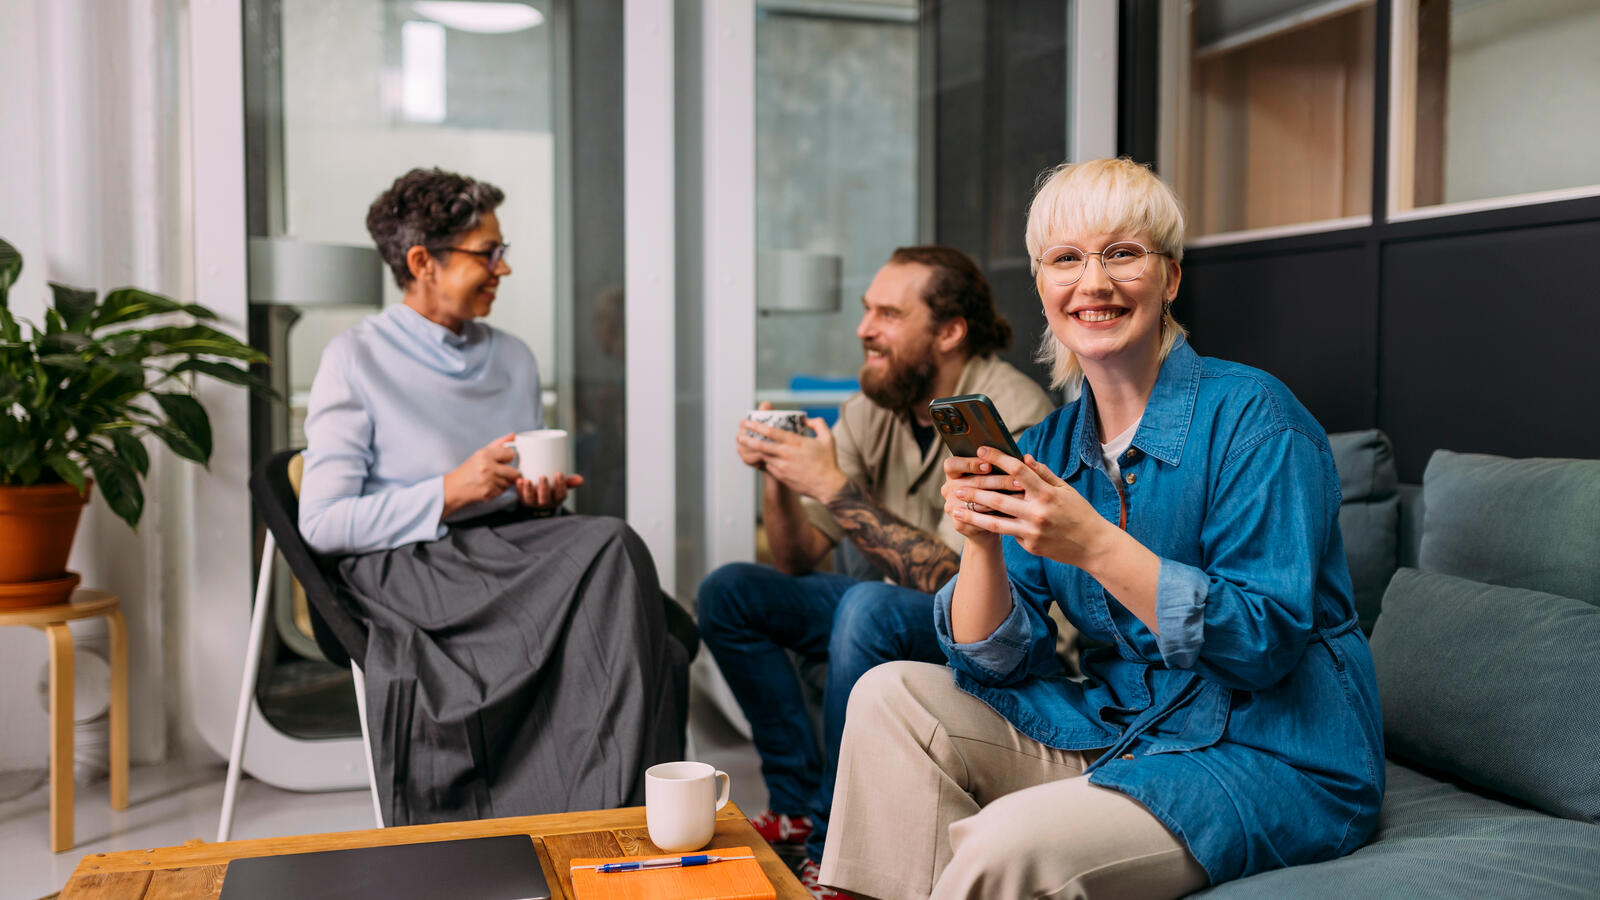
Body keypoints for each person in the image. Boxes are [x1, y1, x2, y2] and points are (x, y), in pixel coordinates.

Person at [820, 159, 1384, 899]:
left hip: (1272, 751)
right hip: (1126, 726)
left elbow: (1263, 642)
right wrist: (983, 540)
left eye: (1123, 254)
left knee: (1005, 843)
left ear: (1170, 278)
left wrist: (1092, 544)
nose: (1094, 283)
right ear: (1044, 288)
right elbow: (996, 663)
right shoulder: (1052, 447)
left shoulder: (1257, 419)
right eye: (1066, 259)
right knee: (887, 694)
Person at [298, 167, 691, 826]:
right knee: (613, 548)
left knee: (649, 621)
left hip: (504, 549)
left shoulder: (511, 356)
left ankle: (612, 814)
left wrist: (534, 499)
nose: (502, 270)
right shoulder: (354, 358)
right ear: (422, 262)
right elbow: (323, 523)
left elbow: (507, 488)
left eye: (501, 252)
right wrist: (448, 492)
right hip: (410, 566)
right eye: (488, 254)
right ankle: (609, 823)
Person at [697, 246, 1056, 896]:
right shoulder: (877, 407)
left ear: (948, 332)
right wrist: (780, 477)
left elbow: (959, 581)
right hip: (897, 611)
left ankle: (835, 846)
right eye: (867, 312)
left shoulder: (1012, 413)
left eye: (887, 314)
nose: (864, 329)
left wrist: (832, 486)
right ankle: (797, 803)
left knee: (868, 609)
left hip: (1000, 630)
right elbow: (795, 557)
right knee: (732, 592)